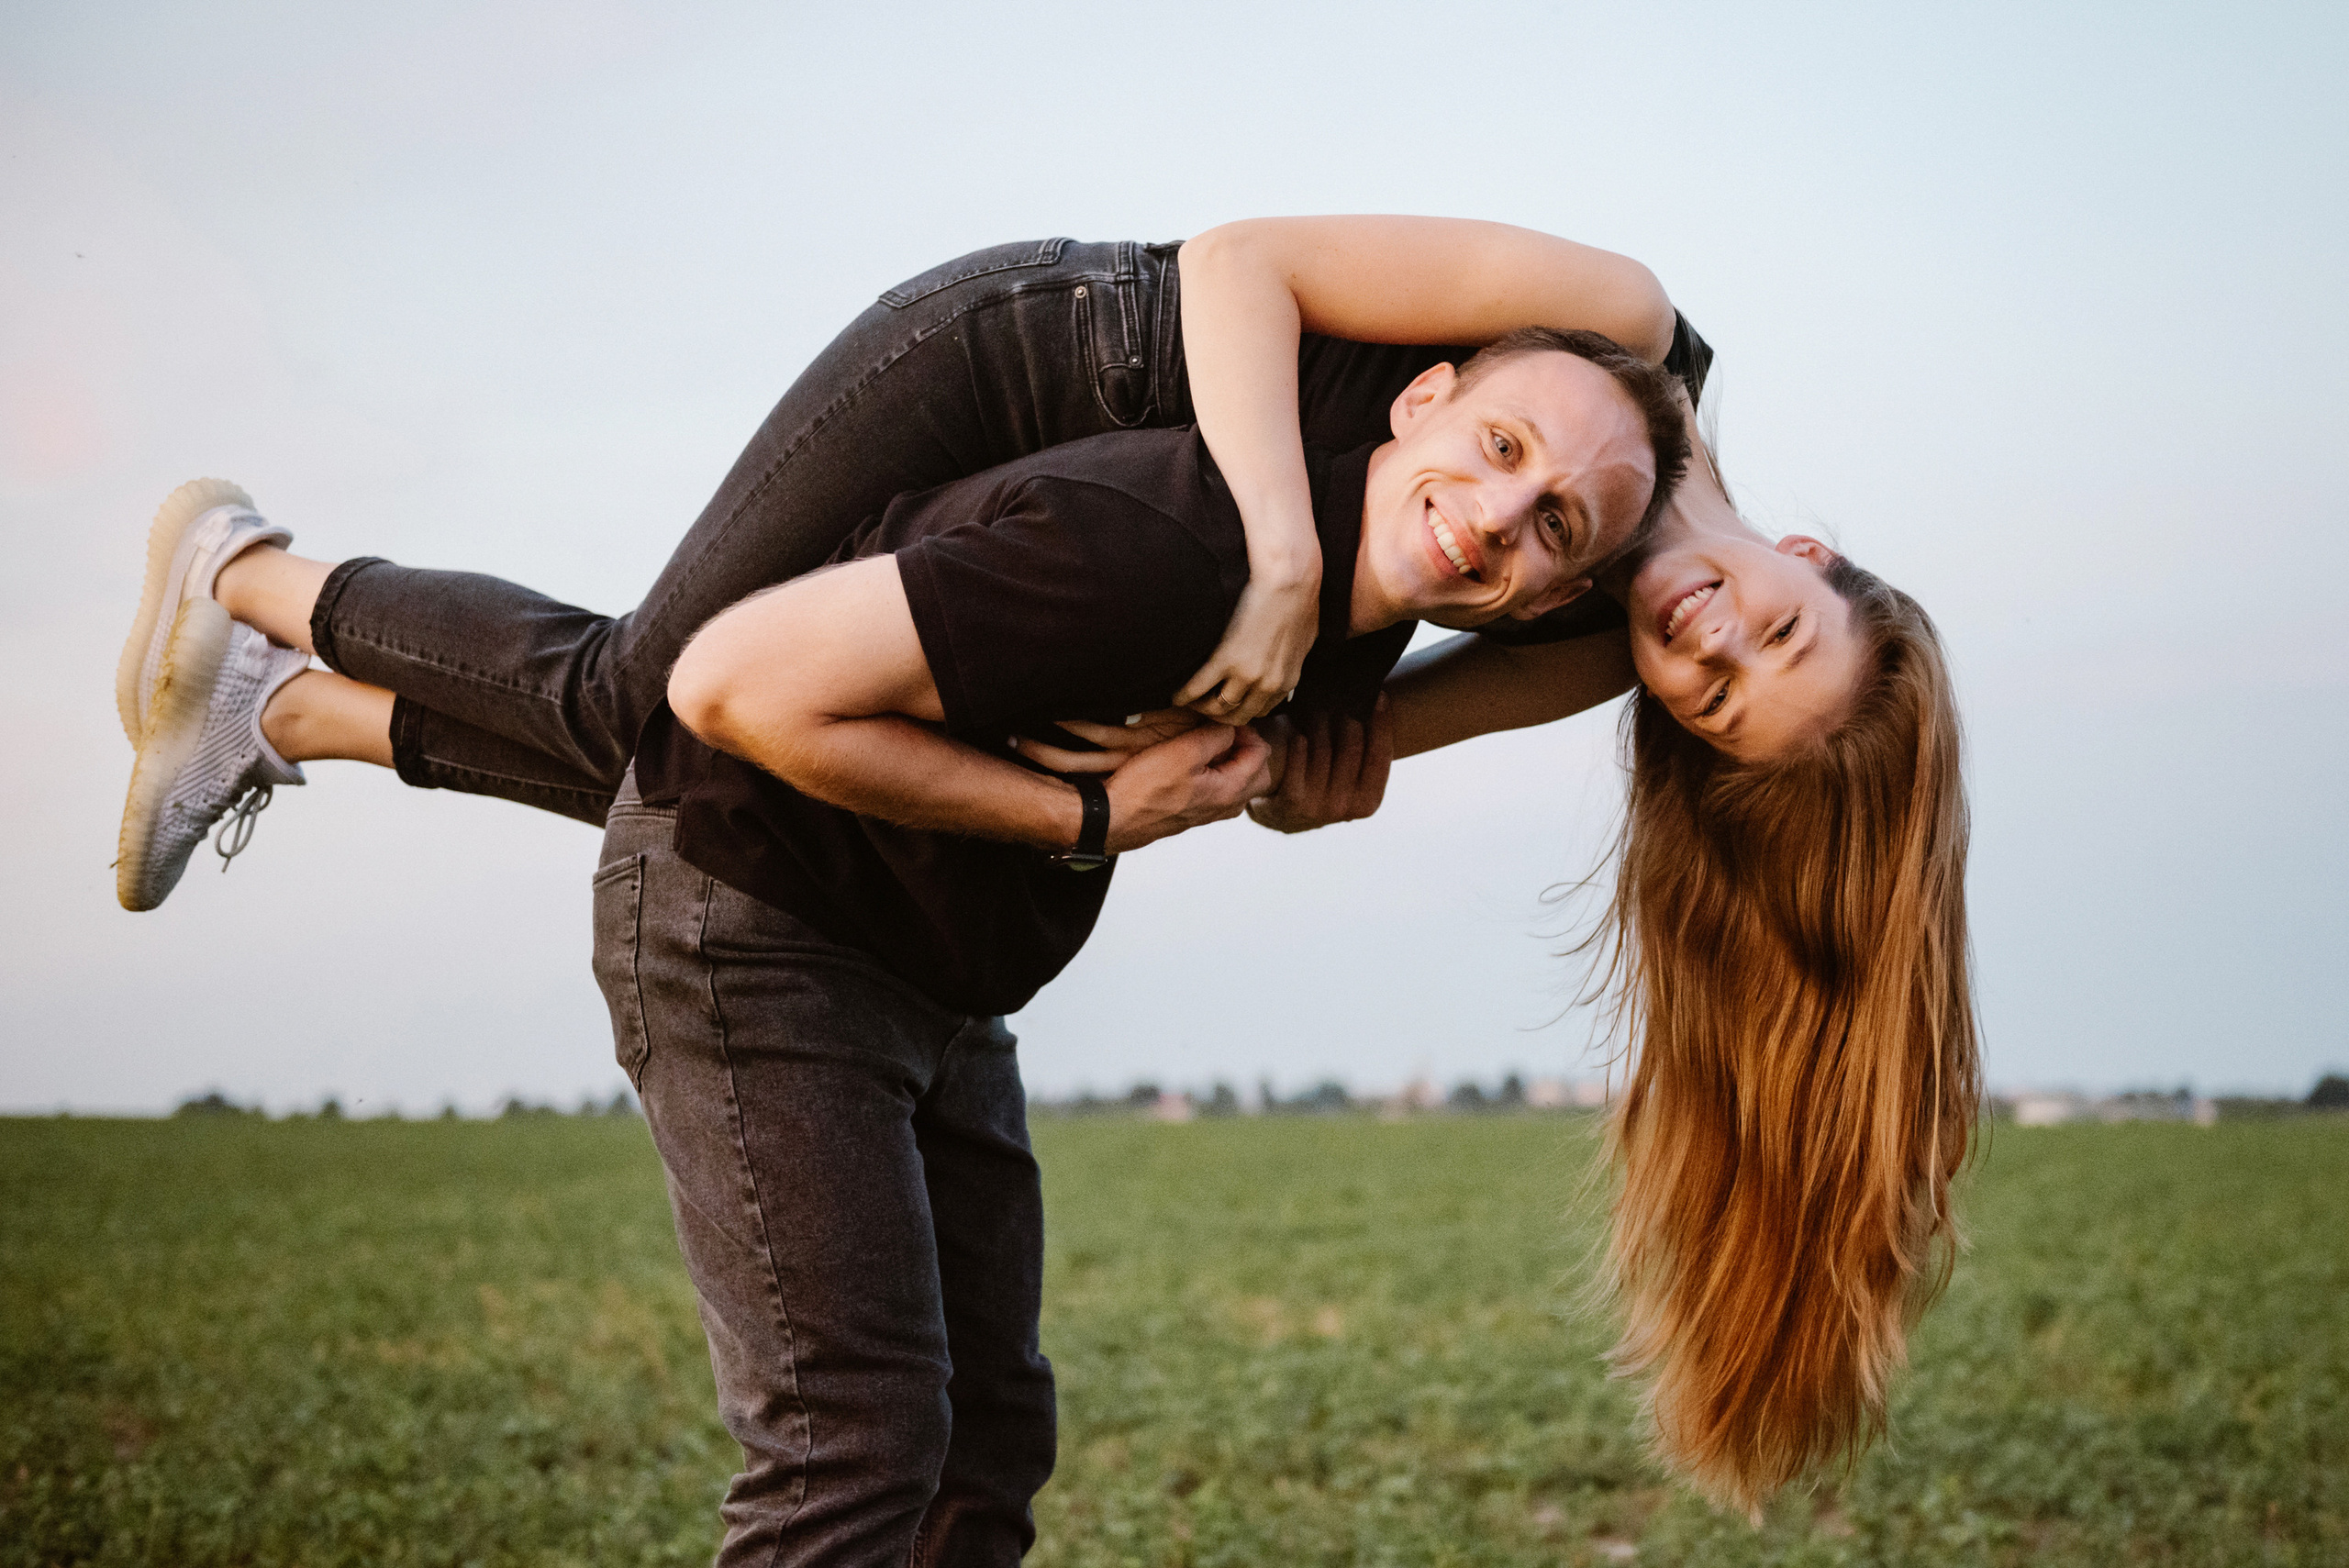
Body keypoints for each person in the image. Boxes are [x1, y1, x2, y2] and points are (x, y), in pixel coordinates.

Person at [113, 217, 1976, 1522]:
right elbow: (1246, 264)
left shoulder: (1569, 619)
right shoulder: (1621, 338)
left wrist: (1285, 774)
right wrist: (1261, 542)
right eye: (1773, 632)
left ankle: (291, 723)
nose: (1706, 644)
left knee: (695, 734)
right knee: (643, 695)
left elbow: (1302, 740)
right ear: (1807, 552)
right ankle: (248, 580)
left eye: (1711, 701)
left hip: (1110, 514)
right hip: (1018, 350)